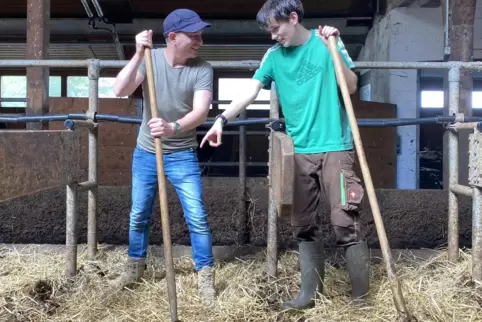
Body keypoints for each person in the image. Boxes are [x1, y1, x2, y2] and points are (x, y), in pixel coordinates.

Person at [200, 0, 369, 310]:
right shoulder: (274, 56)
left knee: (345, 220)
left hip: (335, 145)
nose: (273, 36)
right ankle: (309, 296)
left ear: (293, 18)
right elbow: (250, 90)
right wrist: (222, 120)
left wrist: (333, 48)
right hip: (298, 151)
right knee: (303, 224)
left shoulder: (327, 41)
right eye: (269, 31)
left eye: (276, 29)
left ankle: (361, 300)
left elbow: (352, 86)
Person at [110, 8, 216, 302]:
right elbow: (120, 89)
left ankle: (205, 275)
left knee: (197, 216)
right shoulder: (151, 59)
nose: (200, 41)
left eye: (200, 35)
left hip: (182, 153)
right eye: (193, 36)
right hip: (146, 152)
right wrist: (137, 53)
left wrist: (173, 127)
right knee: (139, 214)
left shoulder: (202, 69)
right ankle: (134, 267)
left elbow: (201, 111)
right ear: (172, 37)